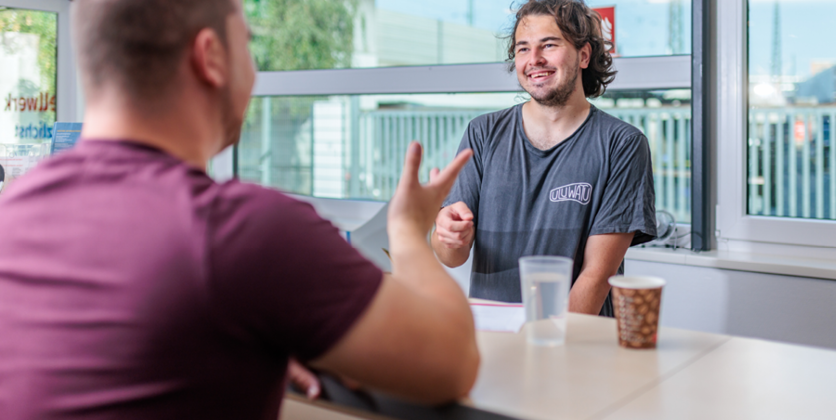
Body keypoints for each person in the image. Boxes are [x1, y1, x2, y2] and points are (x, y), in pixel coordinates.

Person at [0, 0, 479, 418]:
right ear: (211, 57)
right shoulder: (242, 229)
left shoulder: (11, 211)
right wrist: (407, 230)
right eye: (246, 43)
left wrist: (245, 329)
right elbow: (453, 363)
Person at [432, 0, 657, 317]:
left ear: (583, 55)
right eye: (523, 49)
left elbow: (595, 276)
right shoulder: (481, 133)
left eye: (548, 45)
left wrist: (544, 341)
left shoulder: (622, 144)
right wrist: (448, 235)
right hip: (494, 341)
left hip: (574, 342)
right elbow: (451, 256)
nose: (533, 60)